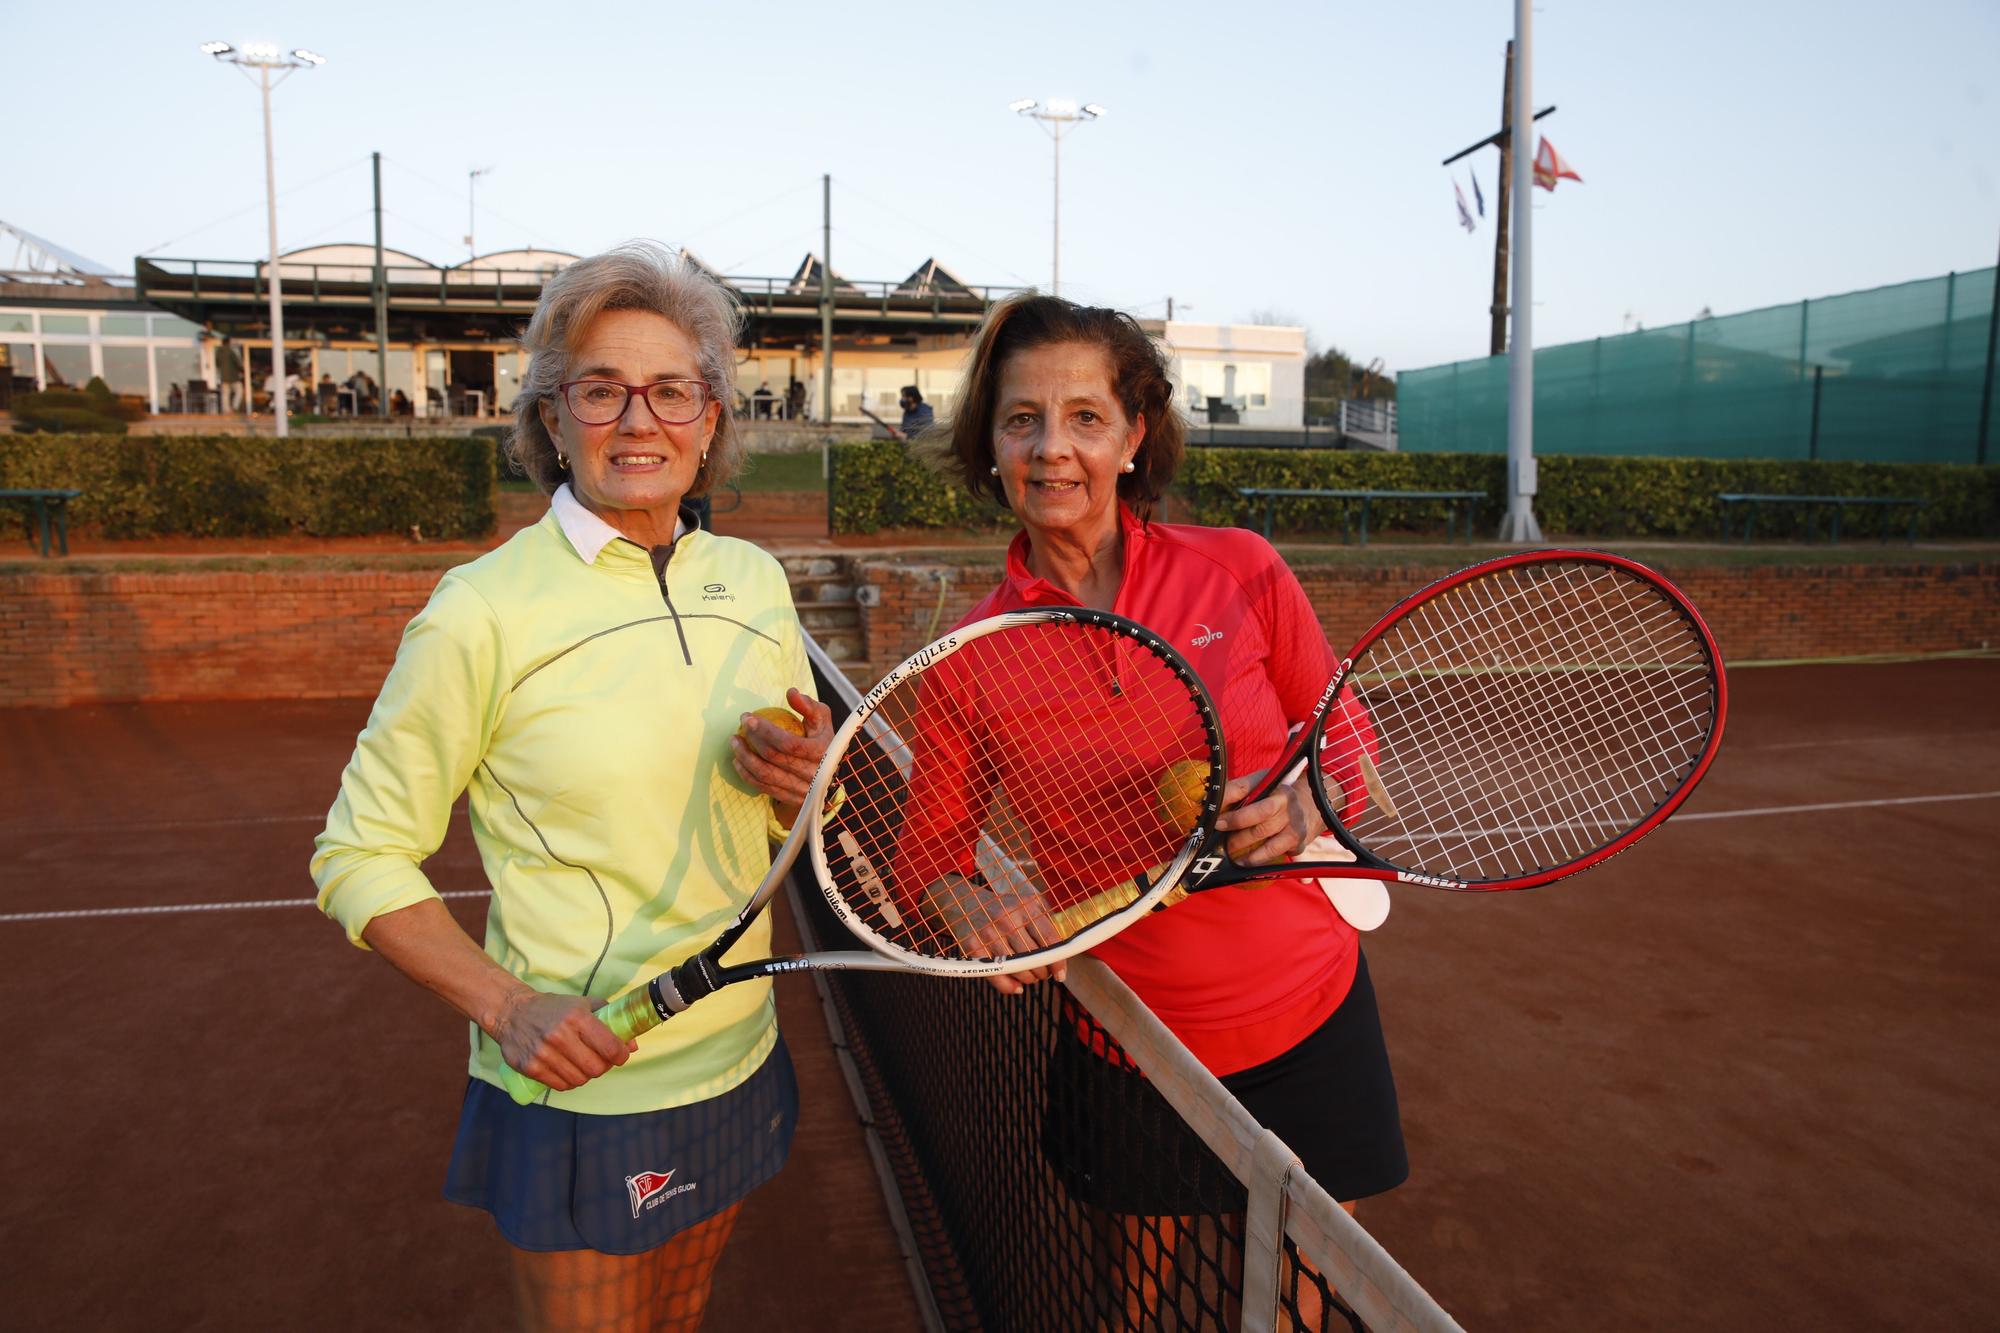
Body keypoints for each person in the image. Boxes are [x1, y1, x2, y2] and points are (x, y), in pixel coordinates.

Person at [311, 241, 832, 1333]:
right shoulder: (481, 611)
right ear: (552, 420)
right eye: (600, 389)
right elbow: (357, 855)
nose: (638, 420)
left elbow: (796, 815)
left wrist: (798, 779)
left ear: (710, 418)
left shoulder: (753, 581)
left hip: (738, 1051)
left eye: (671, 390)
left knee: (679, 1320)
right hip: (592, 1078)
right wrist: (509, 1006)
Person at [926, 293, 1406, 1318]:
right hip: (1130, 1039)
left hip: (1309, 1008)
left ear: (1134, 434)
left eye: (1085, 417)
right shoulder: (967, 658)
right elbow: (931, 856)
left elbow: (1348, 743)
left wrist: (1303, 806)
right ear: (992, 441)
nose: (1052, 449)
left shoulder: (1238, 567)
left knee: (1308, 1294)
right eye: (1022, 419)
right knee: (1140, 1305)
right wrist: (969, 911)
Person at [215, 337, 244, 413]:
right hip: (233, 376)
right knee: (239, 390)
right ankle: (235, 406)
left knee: (225, 394)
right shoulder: (230, 351)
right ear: (228, 343)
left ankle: (226, 410)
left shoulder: (218, 352)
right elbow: (237, 363)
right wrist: (243, 370)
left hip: (223, 376)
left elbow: (217, 363)